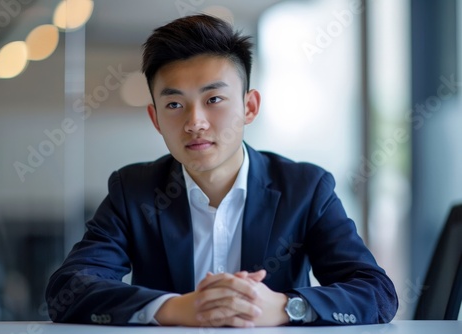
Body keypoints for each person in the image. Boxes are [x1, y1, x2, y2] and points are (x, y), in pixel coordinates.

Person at [45, 14, 398, 327]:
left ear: (249, 107)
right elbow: (69, 287)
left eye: (214, 100)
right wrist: (175, 308)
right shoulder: (133, 189)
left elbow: (376, 292)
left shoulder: (305, 188)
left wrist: (285, 307)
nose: (195, 122)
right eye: (174, 104)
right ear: (155, 118)